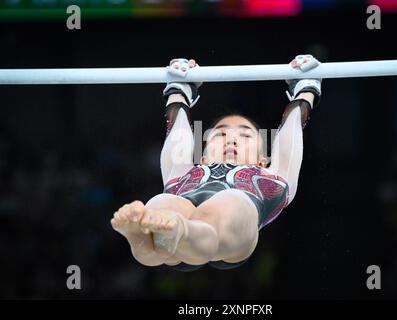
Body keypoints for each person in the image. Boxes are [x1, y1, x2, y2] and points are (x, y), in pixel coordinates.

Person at [111, 55, 322, 271]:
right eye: (219, 135)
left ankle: (174, 233)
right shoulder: (185, 173)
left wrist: (306, 88)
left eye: (246, 135)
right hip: (181, 222)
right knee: (161, 202)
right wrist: (180, 88)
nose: (231, 139)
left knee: (227, 203)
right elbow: (177, 130)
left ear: (262, 161)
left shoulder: (274, 176)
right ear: (202, 158)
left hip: (233, 232)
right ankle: (145, 243)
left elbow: (292, 128)